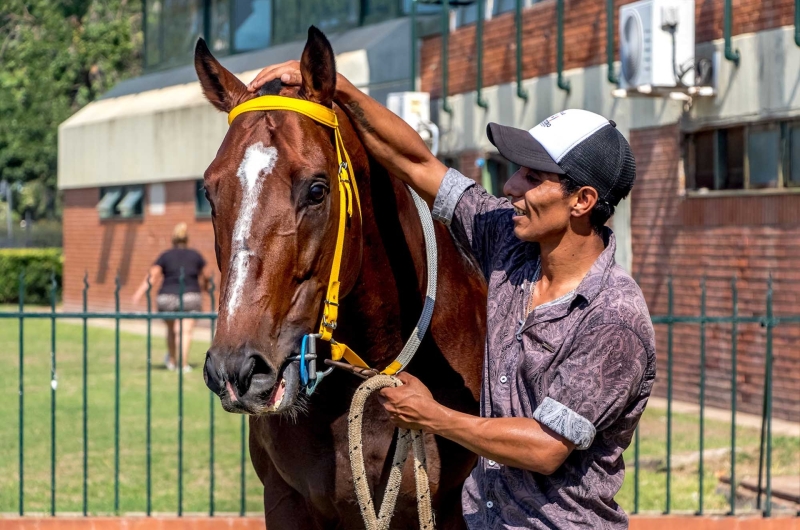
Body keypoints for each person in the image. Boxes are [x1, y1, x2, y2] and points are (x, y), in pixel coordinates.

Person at [248, 64, 656, 529]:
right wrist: (338, 88)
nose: (510, 187)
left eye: (532, 176)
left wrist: (434, 417)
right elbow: (417, 164)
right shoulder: (511, 245)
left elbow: (545, 447)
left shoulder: (613, 319)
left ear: (582, 200)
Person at [133, 223, 211, 373]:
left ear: (173, 239)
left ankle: (173, 361)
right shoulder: (196, 256)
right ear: (187, 239)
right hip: (190, 295)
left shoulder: (165, 256)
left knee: (171, 330)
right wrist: (206, 288)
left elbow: (152, 276)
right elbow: (206, 276)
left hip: (167, 296)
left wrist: (139, 293)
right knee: (185, 331)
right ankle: (183, 365)